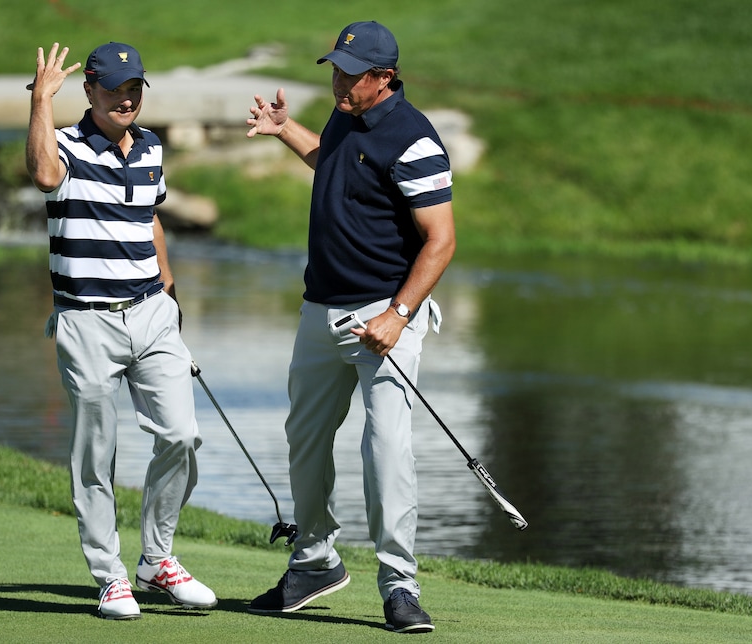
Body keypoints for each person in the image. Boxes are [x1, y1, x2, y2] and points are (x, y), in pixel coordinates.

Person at [244, 21, 456, 633]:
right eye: (334, 67)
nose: (336, 79)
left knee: (386, 448)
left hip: (383, 316)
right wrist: (285, 130)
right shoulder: (345, 114)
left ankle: (399, 585)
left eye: (350, 72)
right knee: (304, 441)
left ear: (383, 78)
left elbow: (440, 242)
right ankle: (313, 560)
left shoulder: (414, 140)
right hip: (321, 308)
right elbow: (332, 164)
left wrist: (399, 315)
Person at [26, 41, 216, 620]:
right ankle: (110, 576)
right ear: (91, 93)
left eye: (134, 89)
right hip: (85, 319)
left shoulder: (153, 147)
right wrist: (40, 100)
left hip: (152, 312)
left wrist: (169, 286)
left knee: (182, 436)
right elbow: (40, 175)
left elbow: (148, 217)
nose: (127, 99)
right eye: (115, 90)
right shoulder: (64, 143)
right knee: (96, 453)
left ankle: (157, 559)